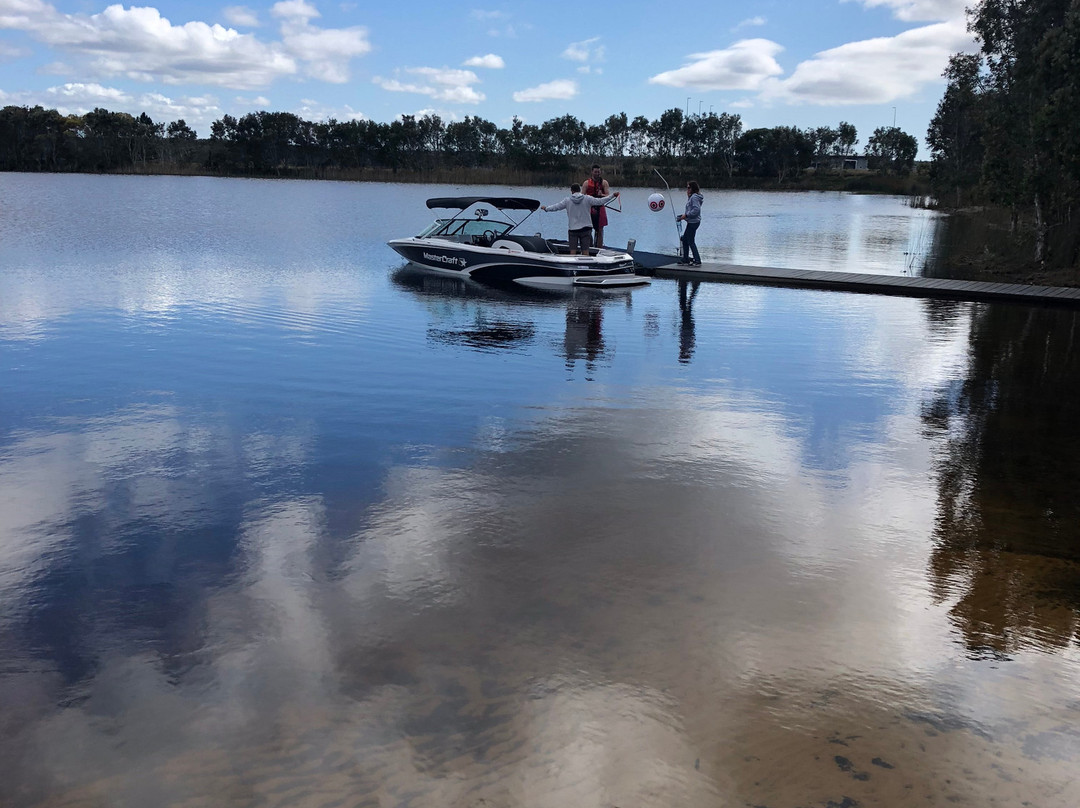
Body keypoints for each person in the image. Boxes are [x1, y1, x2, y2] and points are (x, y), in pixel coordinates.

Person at [541, 183, 619, 255]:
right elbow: (600, 201)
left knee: (573, 252)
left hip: (573, 230)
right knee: (585, 251)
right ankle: (586, 267)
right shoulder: (587, 198)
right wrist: (612, 195)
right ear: (579, 190)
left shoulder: (567, 200)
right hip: (586, 229)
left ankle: (572, 268)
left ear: (572, 191)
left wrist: (546, 208)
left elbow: (556, 207)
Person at [676, 180, 704, 266]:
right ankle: (685, 259)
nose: (687, 189)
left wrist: (686, 215)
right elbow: (691, 209)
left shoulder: (694, 197)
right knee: (685, 239)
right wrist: (683, 216)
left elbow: (696, 210)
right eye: (687, 188)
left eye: (689, 188)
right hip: (692, 221)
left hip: (693, 222)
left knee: (690, 241)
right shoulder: (693, 197)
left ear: (692, 188)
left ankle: (697, 260)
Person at [583, 164, 611, 248]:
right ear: (592, 172)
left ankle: (599, 248)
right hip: (589, 208)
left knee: (600, 230)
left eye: (598, 172)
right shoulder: (586, 183)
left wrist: (601, 194)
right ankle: (589, 246)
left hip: (600, 207)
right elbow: (582, 196)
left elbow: (608, 196)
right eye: (595, 172)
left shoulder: (604, 183)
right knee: (588, 228)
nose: (597, 174)